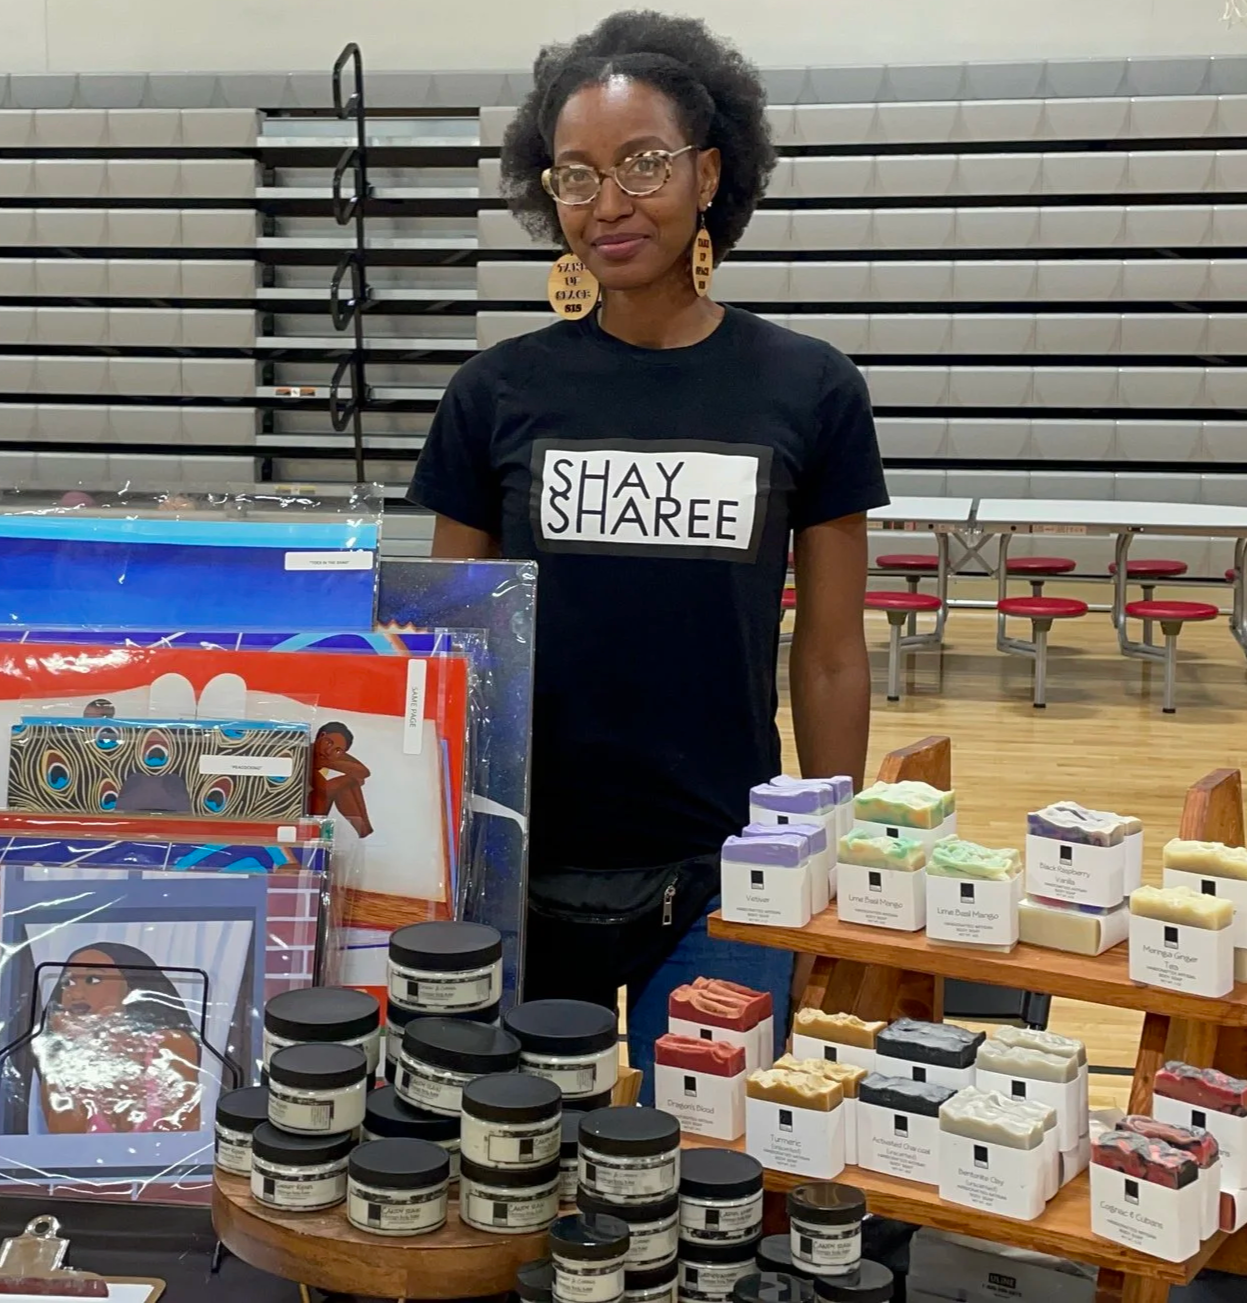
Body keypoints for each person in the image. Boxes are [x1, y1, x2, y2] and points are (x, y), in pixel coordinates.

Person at [407, 11, 887, 1092]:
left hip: (724, 872)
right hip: (517, 870)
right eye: (575, 175)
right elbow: (444, 647)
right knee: (527, 1182)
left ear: (709, 171)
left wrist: (835, 848)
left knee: (700, 1177)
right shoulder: (494, 396)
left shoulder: (808, 389)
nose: (609, 203)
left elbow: (829, 653)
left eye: (643, 164)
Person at [32, 942, 203, 1134]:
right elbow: (66, 1141)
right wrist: (77, 1050)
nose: (76, 993)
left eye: (93, 979)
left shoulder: (171, 1044)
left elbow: (182, 1136)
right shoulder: (59, 1053)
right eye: (69, 982)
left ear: (130, 988)